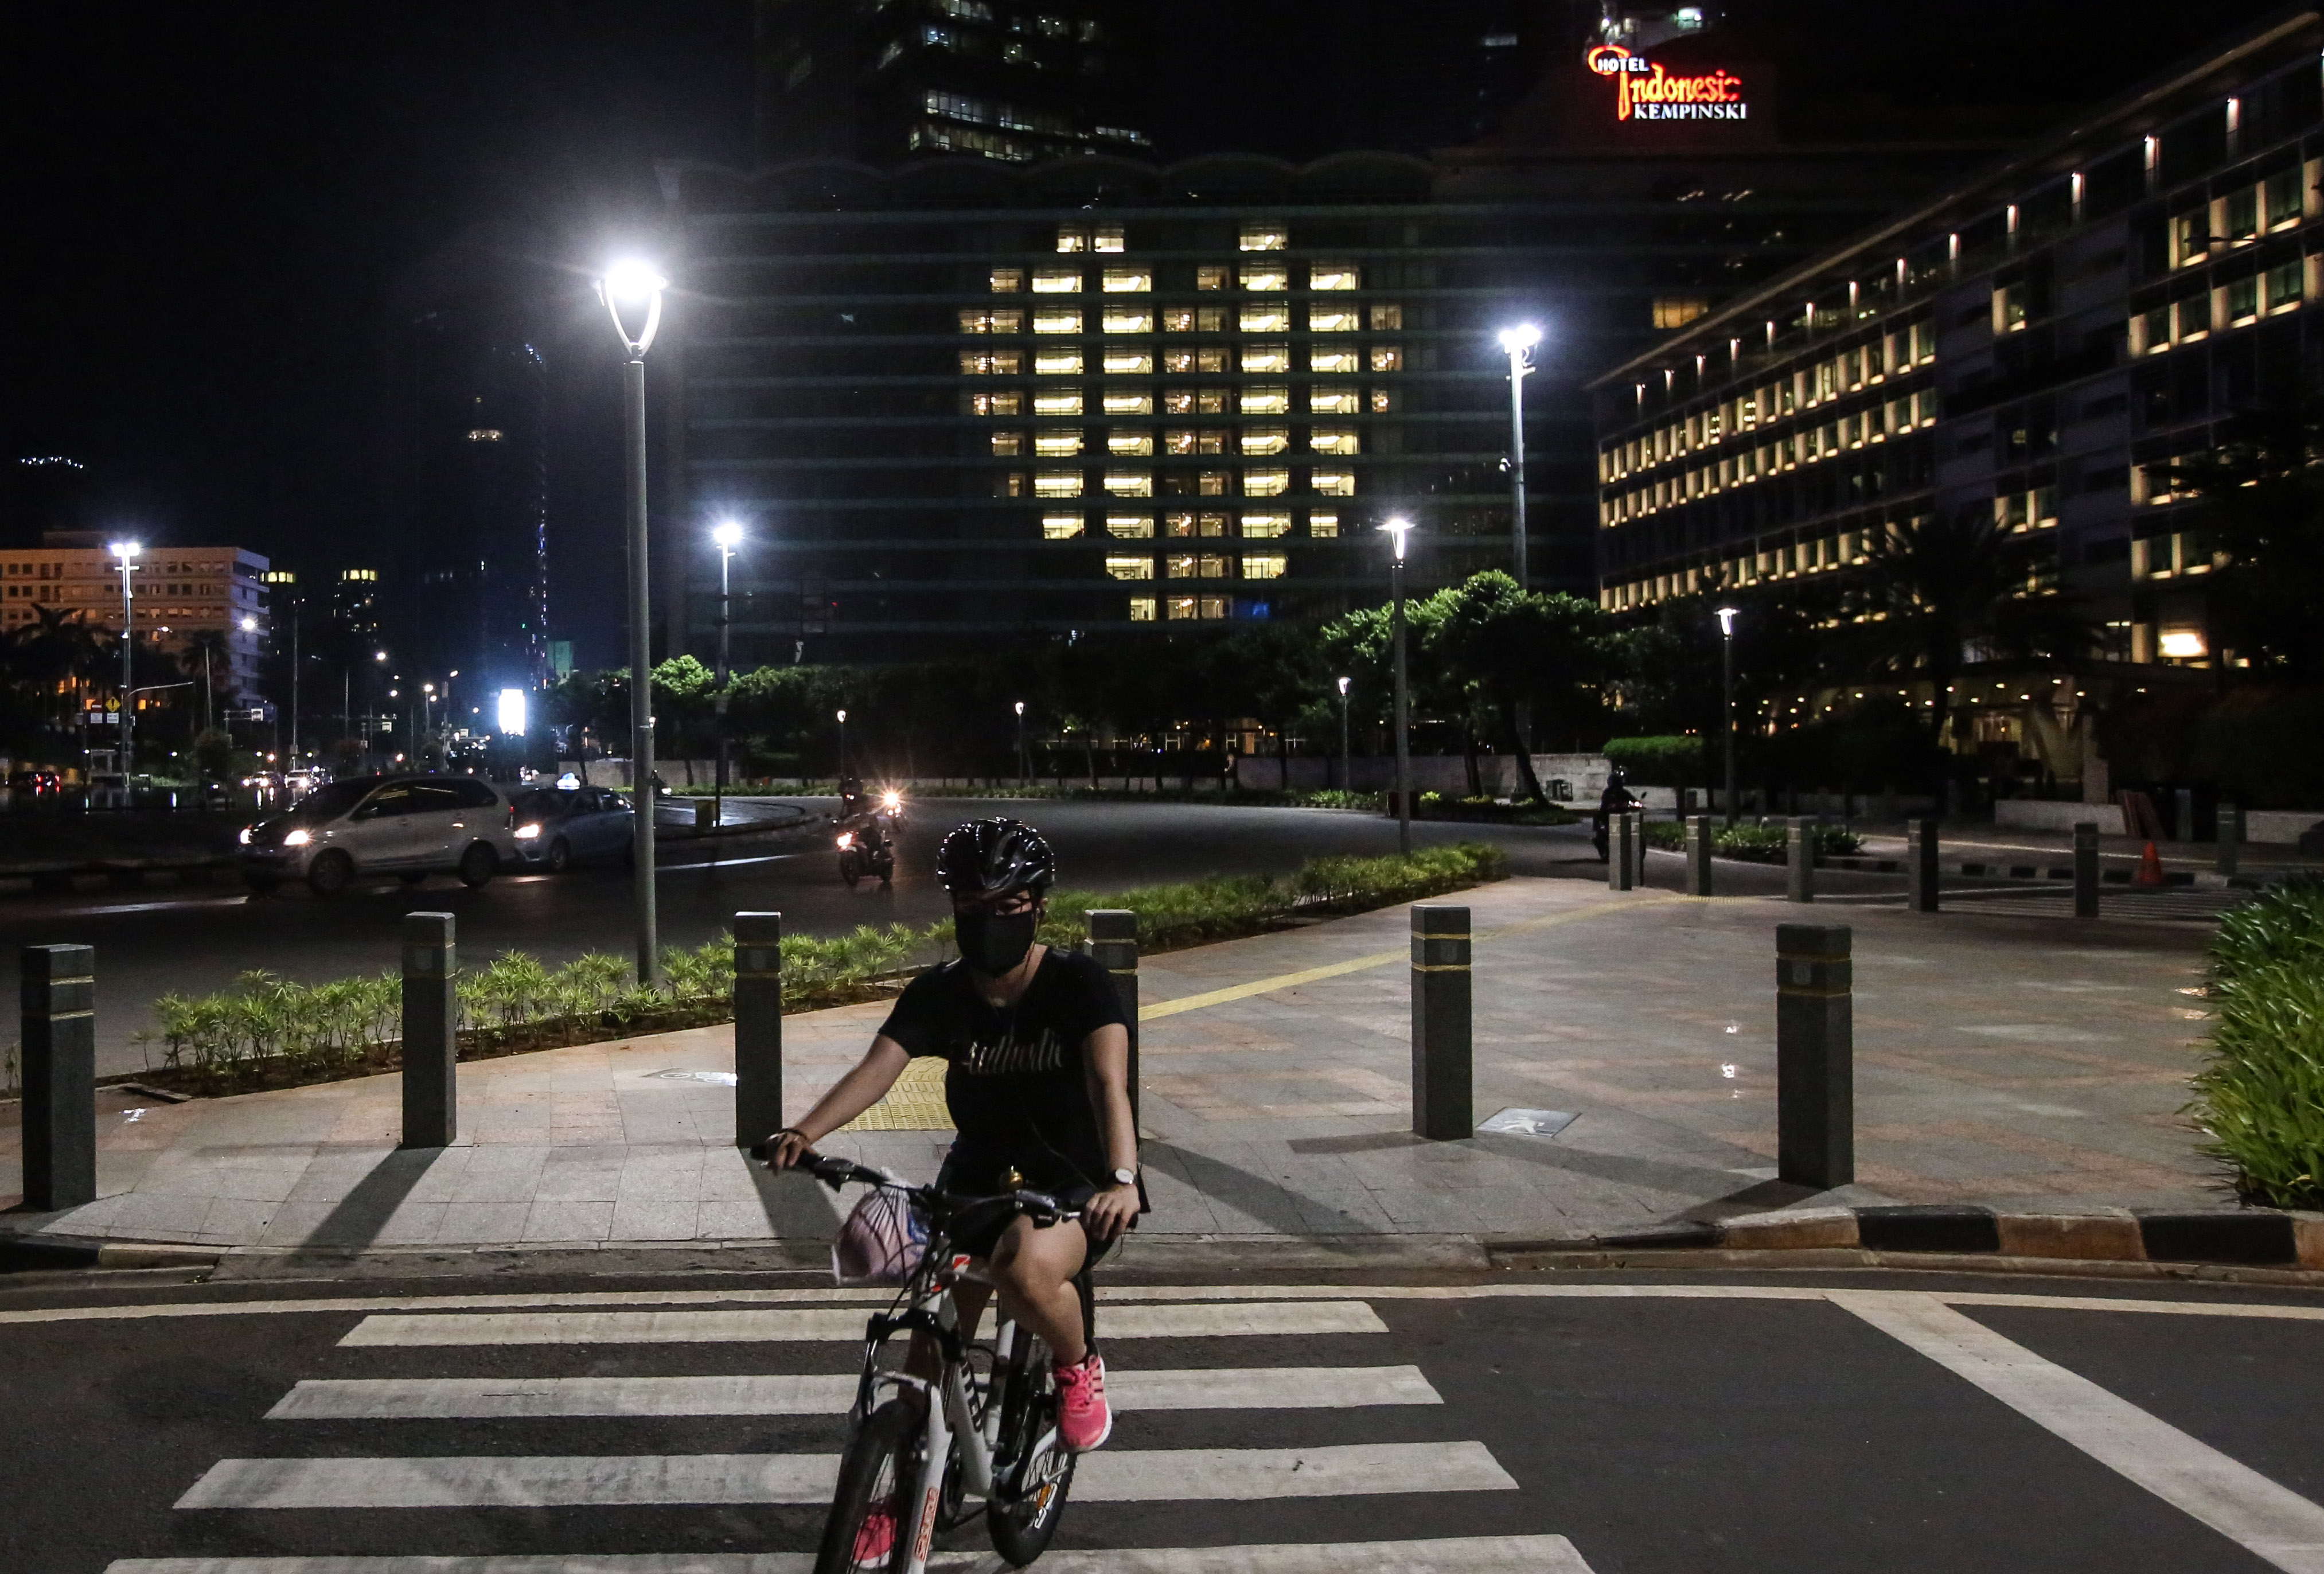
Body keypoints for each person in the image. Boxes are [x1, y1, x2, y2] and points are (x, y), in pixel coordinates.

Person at [764, 816, 1140, 1454]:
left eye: (1009, 905)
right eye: (972, 904)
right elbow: (876, 1071)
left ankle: (1077, 1367)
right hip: (975, 1177)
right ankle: (895, 1491)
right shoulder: (938, 992)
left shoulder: (1080, 983)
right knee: (925, 1352)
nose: (990, 918)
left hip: (1071, 1178)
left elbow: (1110, 1084)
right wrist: (803, 1130)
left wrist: (1123, 1178)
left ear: (1038, 909)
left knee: (1021, 1270)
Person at [1593, 765, 1643, 861]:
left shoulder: (1624, 792)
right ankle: (1604, 845)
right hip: (1610, 816)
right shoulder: (1607, 793)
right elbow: (1605, 804)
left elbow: (1633, 800)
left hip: (1623, 815)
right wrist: (1611, 806)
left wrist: (1638, 804)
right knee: (1599, 820)